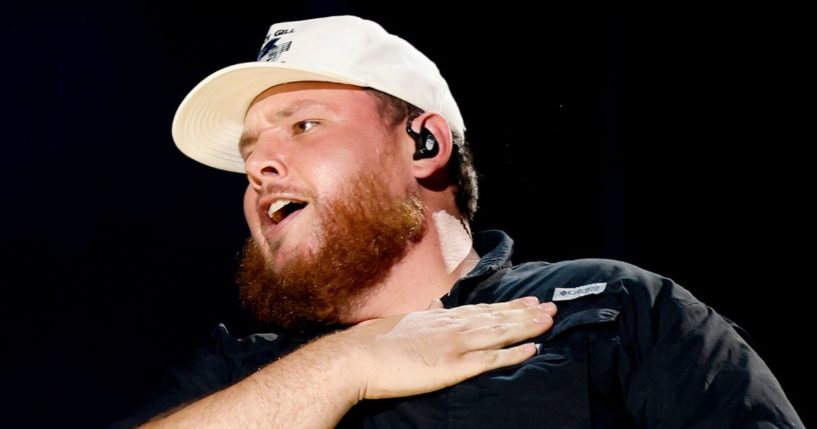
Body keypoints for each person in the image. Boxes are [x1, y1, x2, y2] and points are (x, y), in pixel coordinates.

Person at [117, 15, 802, 428]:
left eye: (301, 125)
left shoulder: (614, 310)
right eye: (249, 153)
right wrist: (343, 365)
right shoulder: (239, 371)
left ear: (424, 145)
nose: (261, 165)